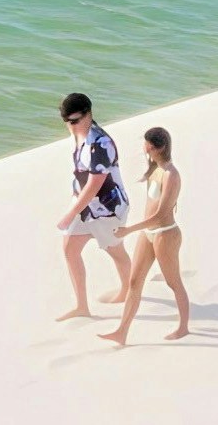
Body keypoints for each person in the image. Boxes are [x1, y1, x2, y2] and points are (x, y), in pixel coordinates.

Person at [55, 91, 131, 320]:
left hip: (107, 210)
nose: (70, 126)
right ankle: (82, 306)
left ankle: (127, 291)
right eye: (66, 121)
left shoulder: (101, 143)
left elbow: (95, 184)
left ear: (88, 114)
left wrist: (70, 214)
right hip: (85, 207)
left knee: (116, 251)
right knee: (70, 249)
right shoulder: (78, 134)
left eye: (75, 121)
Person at [111, 125, 189, 343]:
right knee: (134, 282)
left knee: (174, 283)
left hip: (166, 234)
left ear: (160, 148)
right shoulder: (154, 169)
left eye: (149, 147)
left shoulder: (171, 175)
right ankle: (121, 332)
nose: (145, 150)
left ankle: (183, 327)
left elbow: (161, 214)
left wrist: (129, 230)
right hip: (148, 233)